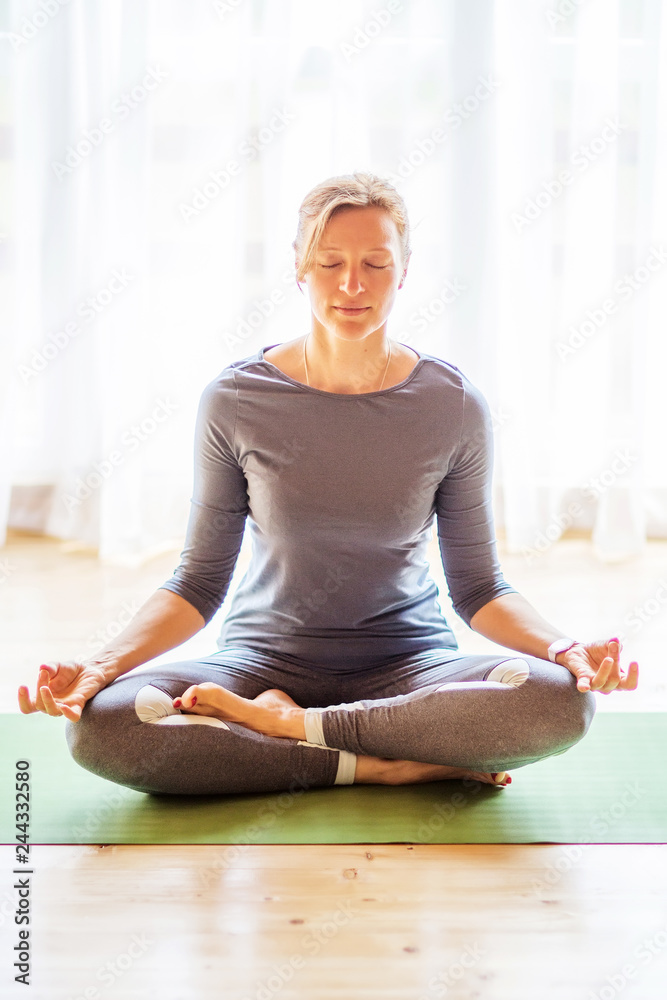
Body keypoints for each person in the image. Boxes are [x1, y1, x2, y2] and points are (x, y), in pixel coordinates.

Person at [18, 172, 639, 797]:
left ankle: (293, 729)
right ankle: (373, 763)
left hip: (411, 667)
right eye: (329, 262)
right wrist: (101, 666)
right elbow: (199, 582)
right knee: (108, 727)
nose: (351, 284)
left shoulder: (451, 405)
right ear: (298, 268)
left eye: (375, 263)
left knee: (557, 703)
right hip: (261, 662)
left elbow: (479, 588)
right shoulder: (237, 399)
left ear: (403, 272)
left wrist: (564, 649)